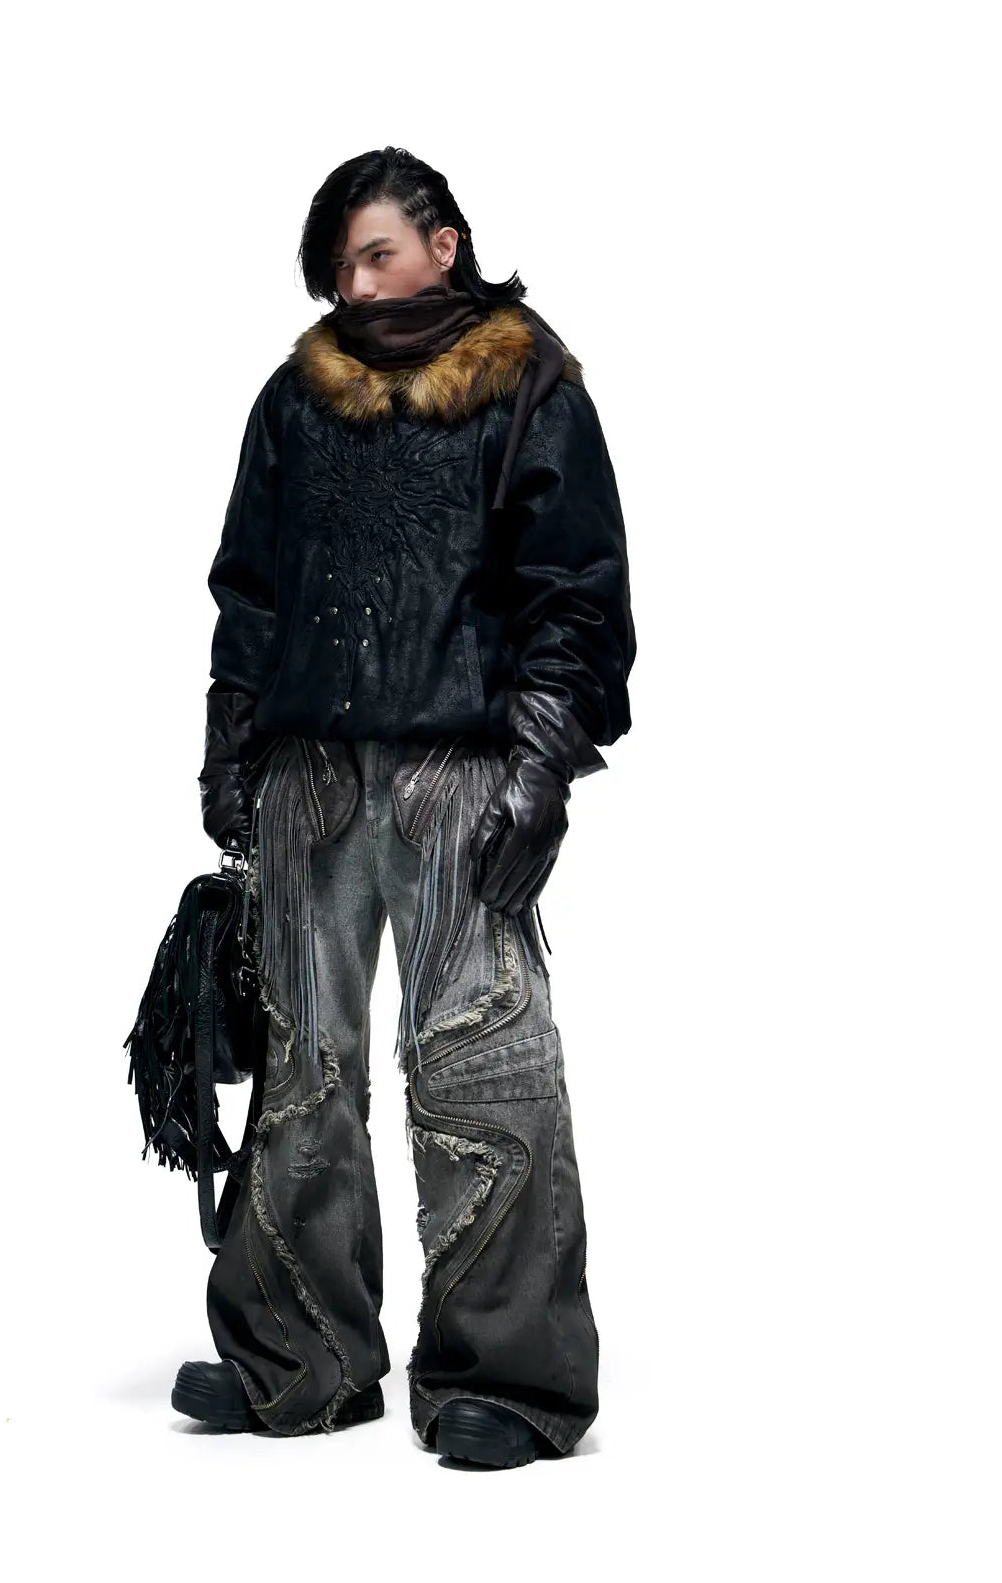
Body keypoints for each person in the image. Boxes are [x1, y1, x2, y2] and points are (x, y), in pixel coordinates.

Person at [171, 146, 636, 1470]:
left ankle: (511, 1378)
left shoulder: (529, 382)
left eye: (377, 254)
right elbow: (250, 590)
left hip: (463, 776)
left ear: (445, 243)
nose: (358, 286)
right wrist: (228, 753)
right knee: (300, 1067)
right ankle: (298, 1358)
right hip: (308, 778)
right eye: (339, 269)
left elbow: (576, 588)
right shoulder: (295, 399)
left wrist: (542, 766)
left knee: (478, 1059)